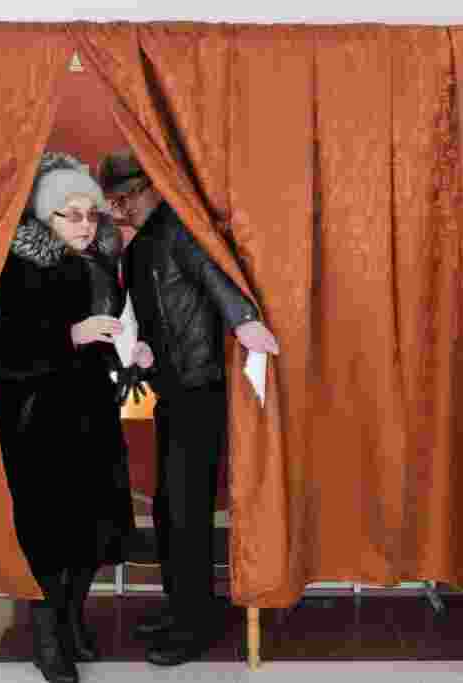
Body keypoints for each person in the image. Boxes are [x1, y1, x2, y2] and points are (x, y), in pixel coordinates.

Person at [98, 149, 279, 667]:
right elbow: (144, 314)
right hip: (172, 390)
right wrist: (139, 349)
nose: (122, 210)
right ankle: (184, 607)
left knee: (185, 510)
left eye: (127, 198)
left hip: (199, 389)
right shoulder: (140, 246)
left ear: (152, 186)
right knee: (170, 507)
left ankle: (194, 622)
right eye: (115, 201)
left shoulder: (178, 227)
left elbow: (211, 273)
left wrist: (244, 320)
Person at [0, 152, 153, 683]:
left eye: (90, 214)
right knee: (49, 536)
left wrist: (129, 351)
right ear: (44, 215)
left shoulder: (96, 261)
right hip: (37, 420)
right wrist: (70, 336)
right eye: (71, 215)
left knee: (91, 529)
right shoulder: (15, 266)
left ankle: (72, 619)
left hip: (88, 410)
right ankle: (48, 637)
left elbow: (110, 326)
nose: (85, 225)